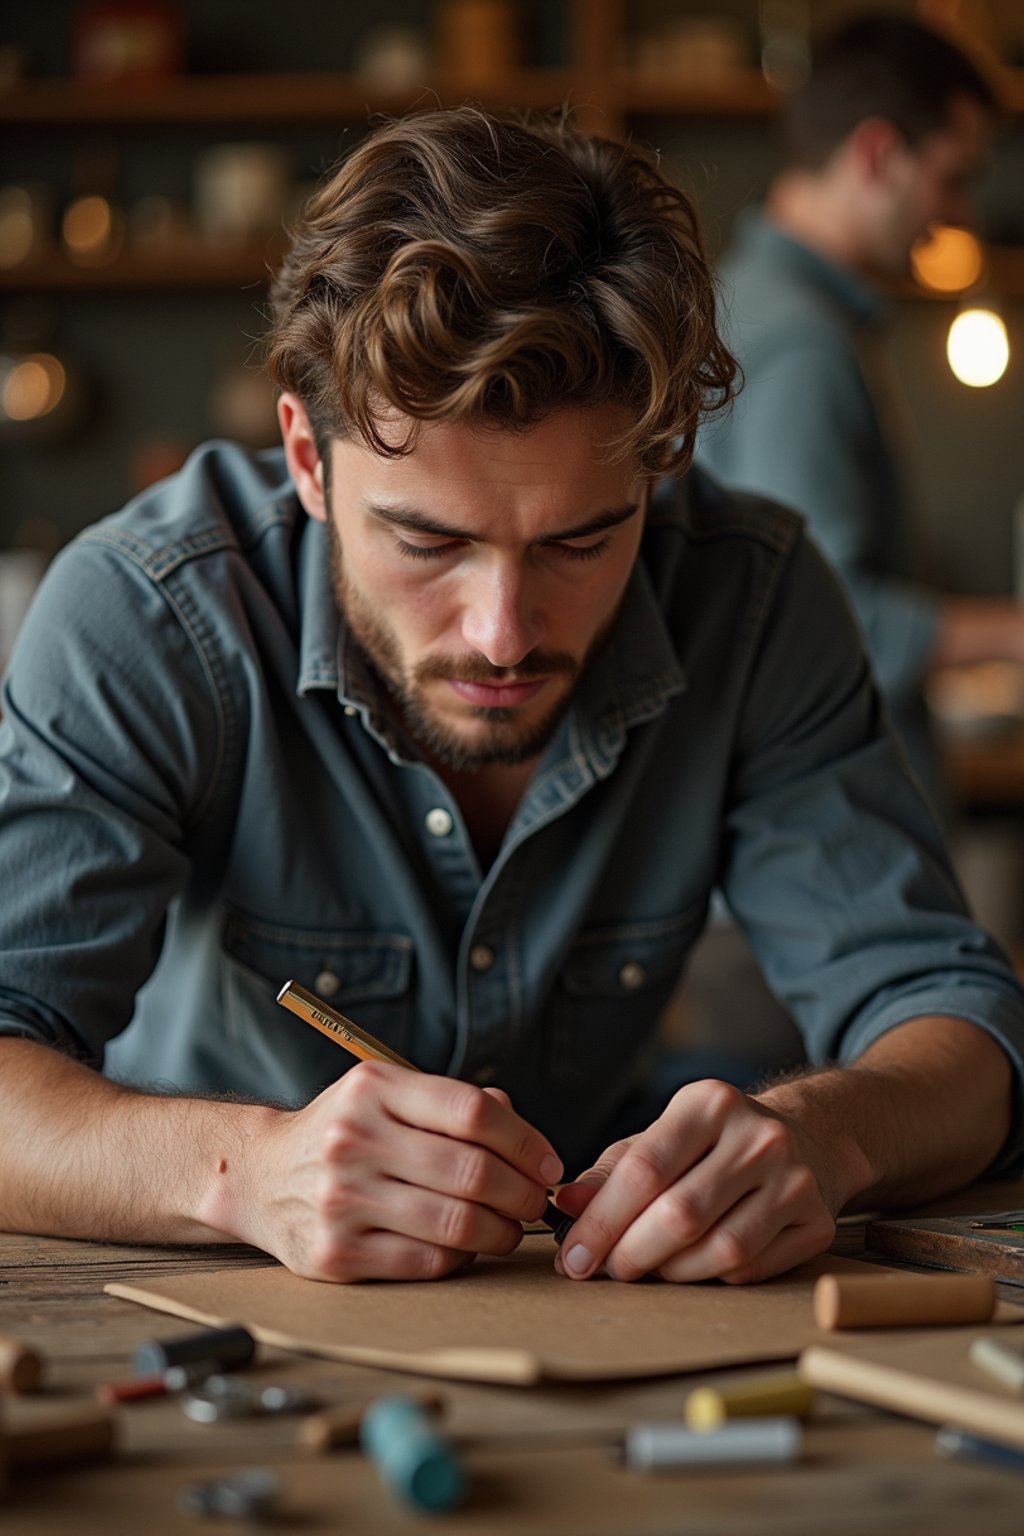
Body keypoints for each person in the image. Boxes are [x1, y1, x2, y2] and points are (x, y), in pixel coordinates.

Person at [0, 108, 1021, 1291]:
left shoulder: (753, 597)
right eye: (427, 543)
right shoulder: (148, 612)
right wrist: (247, 1170)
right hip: (211, 1297)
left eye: (582, 541)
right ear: (305, 459)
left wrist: (828, 1136)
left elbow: (958, 1031)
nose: (502, 634)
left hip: (593, 1297)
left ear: (661, 465)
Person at [697, 13, 1024, 803]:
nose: (960, 218)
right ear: (878, 153)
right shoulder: (801, 343)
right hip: (824, 818)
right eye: (953, 177)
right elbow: (819, 615)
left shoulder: (751, 301)